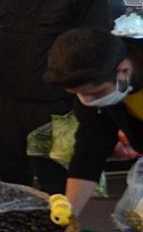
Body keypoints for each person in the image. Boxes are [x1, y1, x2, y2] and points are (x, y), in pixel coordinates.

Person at [0, 0, 109, 193]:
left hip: (56, 100)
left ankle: (57, 229)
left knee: (54, 173)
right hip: (8, 97)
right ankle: (15, 225)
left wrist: (85, 95)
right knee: (11, 170)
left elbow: (95, 43)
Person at [43, 27, 142, 214]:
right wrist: (68, 213)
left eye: (96, 93)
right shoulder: (100, 82)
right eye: (80, 94)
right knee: (131, 225)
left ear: (124, 70)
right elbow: (89, 154)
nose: (88, 101)